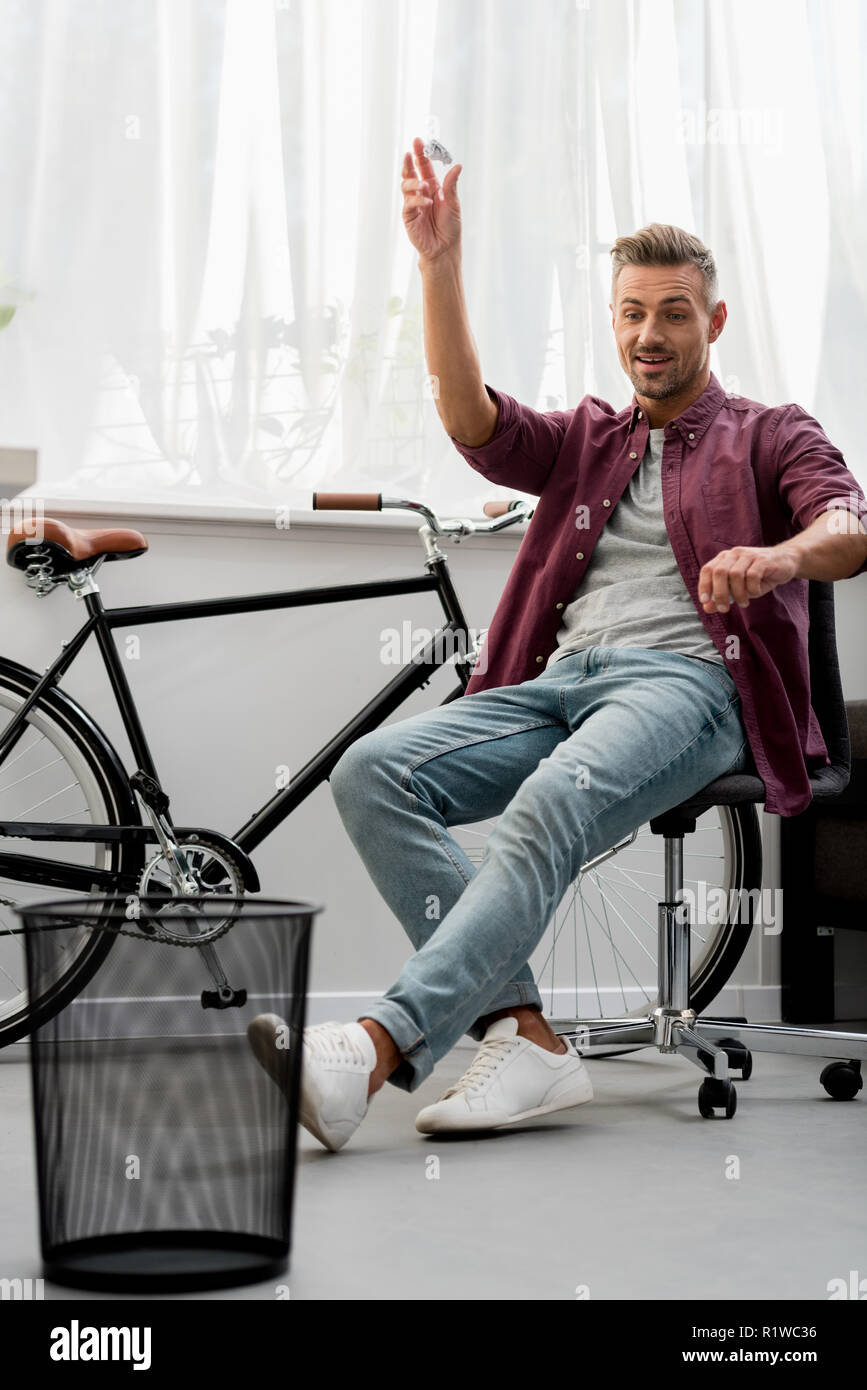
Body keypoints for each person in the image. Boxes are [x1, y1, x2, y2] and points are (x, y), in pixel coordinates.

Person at [248, 135, 867, 1152]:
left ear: (711, 320)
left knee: (550, 802)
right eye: (632, 313)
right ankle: (523, 1032)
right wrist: (438, 264)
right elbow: (468, 416)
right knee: (372, 771)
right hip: (560, 683)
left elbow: (848, 526)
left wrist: (779, 558)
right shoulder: (588, 438)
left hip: (691, 688)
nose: (651, 334)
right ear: (614, 323)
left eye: (674, 313)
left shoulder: (769, 431)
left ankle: (372, 1047)